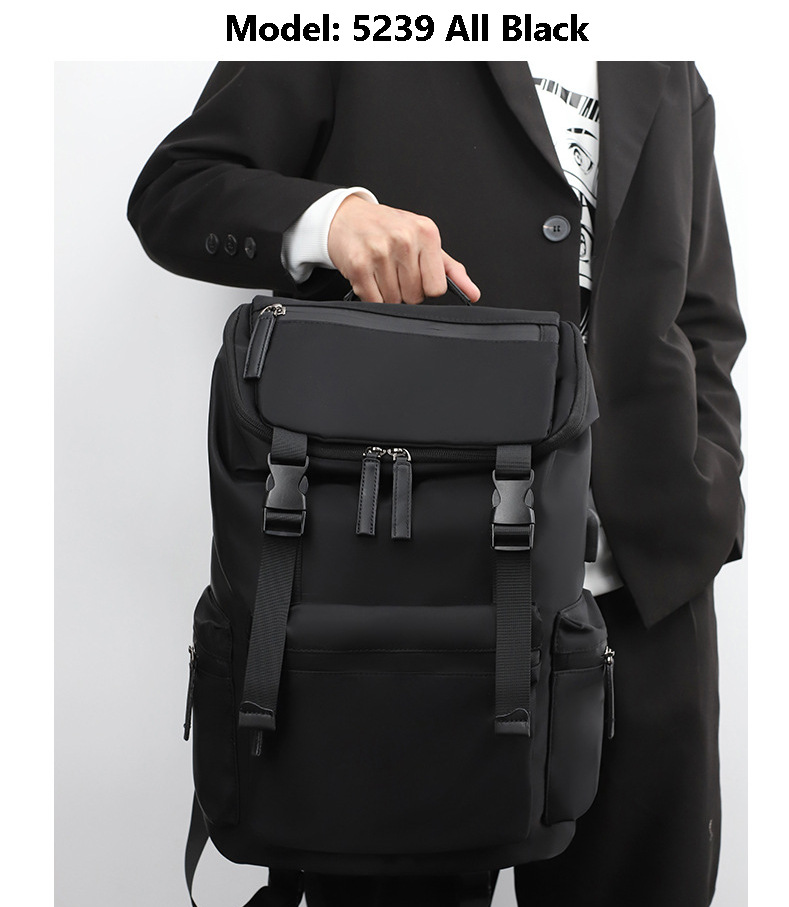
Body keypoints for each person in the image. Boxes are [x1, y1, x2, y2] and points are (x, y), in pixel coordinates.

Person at [128, 62, 745, 907]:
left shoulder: (667, 63)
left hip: (646, 596)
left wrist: (708, 488)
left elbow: (702, 316)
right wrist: (330, 219)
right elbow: (175, 189)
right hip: (407, 591)